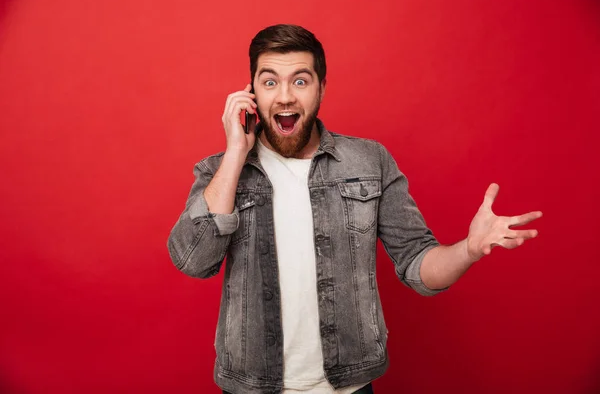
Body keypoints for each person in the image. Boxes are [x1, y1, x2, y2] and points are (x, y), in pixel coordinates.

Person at [167, 24, 542, 394]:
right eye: (269, 82)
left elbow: (417, 264)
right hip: (250, 386)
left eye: (300, 81)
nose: (284, 97)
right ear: (251, 93)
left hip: (349, 385)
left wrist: (469, 249)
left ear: (321, 89)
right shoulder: (219, 172)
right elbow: (194, 261)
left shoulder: (369, 161)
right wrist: (235, 152)